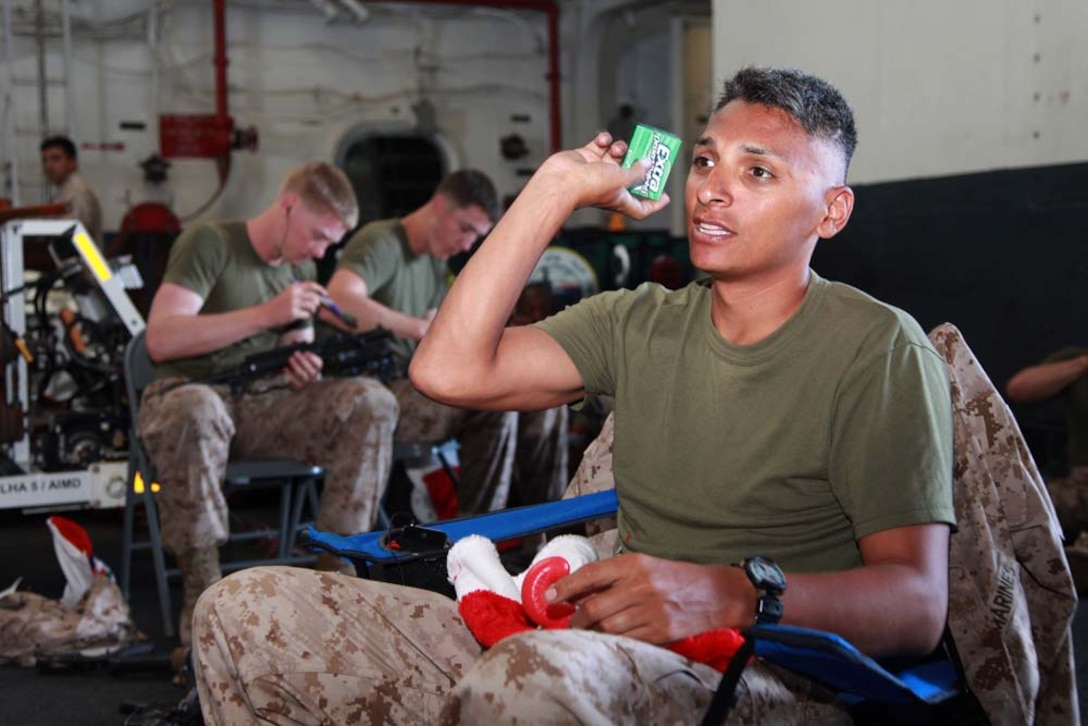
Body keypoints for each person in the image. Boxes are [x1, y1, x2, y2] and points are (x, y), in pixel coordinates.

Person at [191, 66, 955, 723]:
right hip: (594, 641)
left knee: (525, 684)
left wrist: (732, 595)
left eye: (758, 173)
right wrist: (555, 190)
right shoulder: (638, 321)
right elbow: (447, 371)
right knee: (241, 610)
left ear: (832, 211)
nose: (713, 191)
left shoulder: (877, 349)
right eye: (706, 163)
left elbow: (916, 607)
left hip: (770, 672)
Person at [137, 161, 398, 646]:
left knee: (372, 402)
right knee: (197, 409)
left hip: (262, 404)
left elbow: (295, 346)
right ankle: (205, 612)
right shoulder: (210, 242)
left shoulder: (300, 267)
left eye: (330, 244)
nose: (321, 252)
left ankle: (333, 592)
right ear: (288, 206)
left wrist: (302, 364)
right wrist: (265, 315)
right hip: (189, 399)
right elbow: (161, 338)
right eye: (318, 236)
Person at [324, 170, 568, 519]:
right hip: (381, 391)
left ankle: (547, 535)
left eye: (476, 236)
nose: (467, 244)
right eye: (466, 229)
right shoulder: (381, 242)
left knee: (546, 400)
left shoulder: (436, 265)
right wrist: (419, 328)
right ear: (439, 207)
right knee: (490, 405)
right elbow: (339, 300)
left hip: (417, 384)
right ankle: (480, 540)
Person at [1006, 349, 1088, 539]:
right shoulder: (1077, 358)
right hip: (1079, 483)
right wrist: (1082, 364)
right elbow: (1018, 388)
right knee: (1012, 503)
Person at [40, 135, 103, 243]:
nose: (48, 166)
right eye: (45, 160)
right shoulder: (65, 191)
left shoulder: (77, 192)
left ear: (72, 162)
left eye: (56, 159)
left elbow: (71, 232)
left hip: (83, 258)